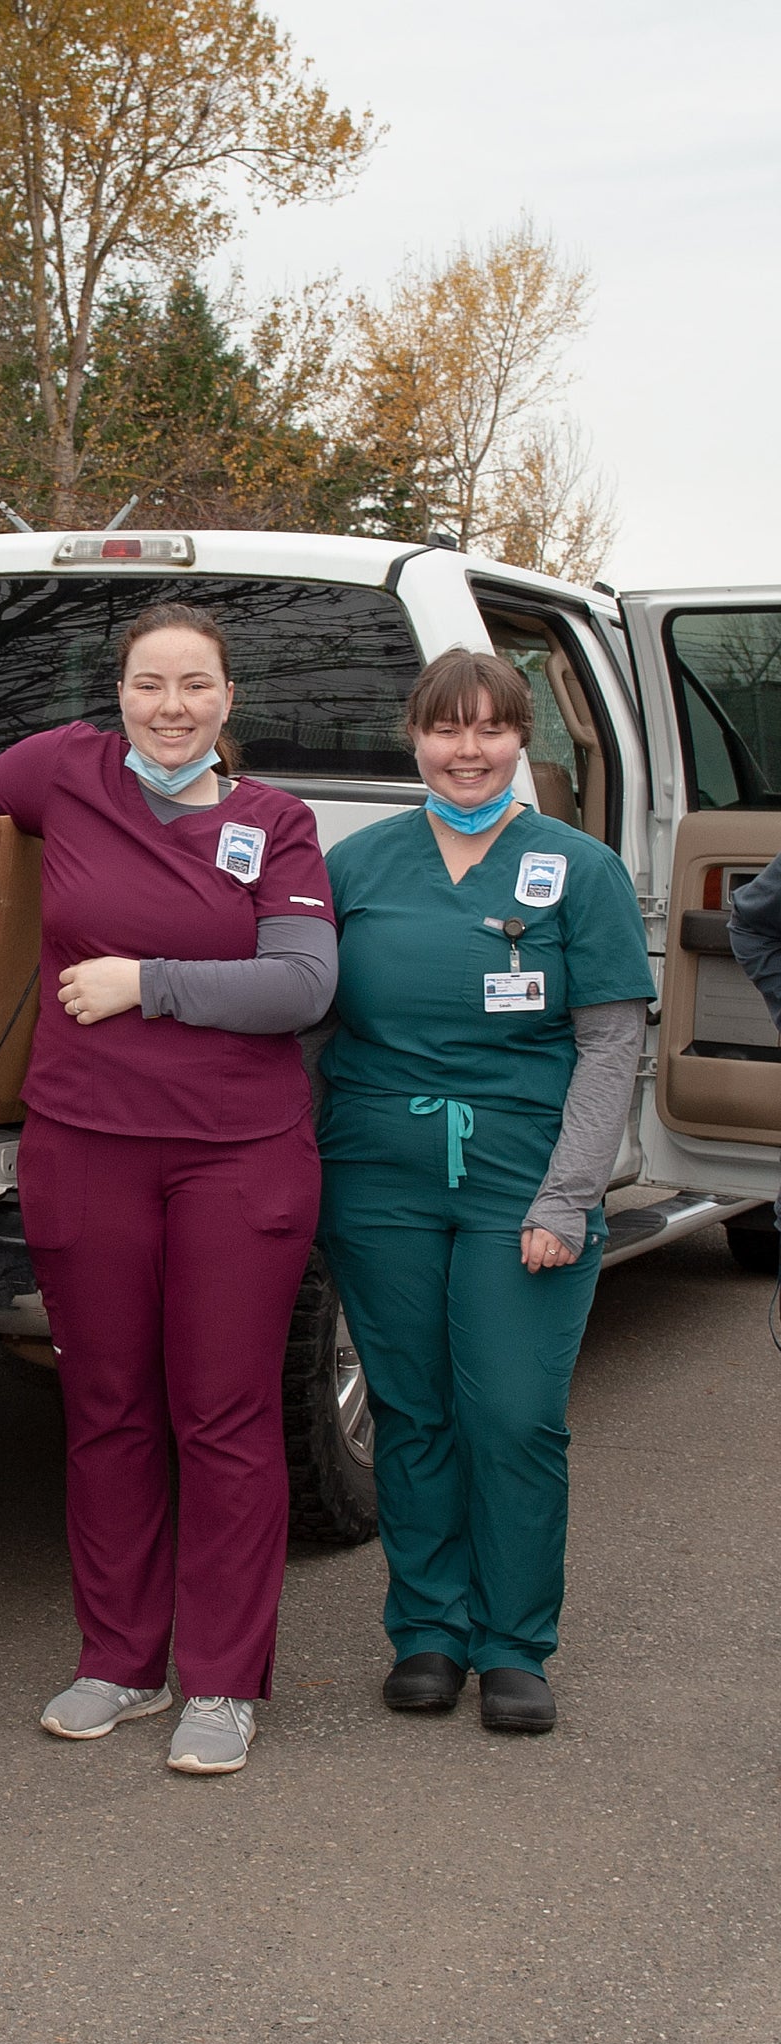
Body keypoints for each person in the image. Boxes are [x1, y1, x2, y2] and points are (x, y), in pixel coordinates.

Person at [0, 601, 338, 1776]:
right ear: (117, 692)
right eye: (149, 683)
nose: (170, 706)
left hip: (234, 1154)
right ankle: (119, 1658)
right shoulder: (64, 769)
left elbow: (301, 981)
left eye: (194, 685)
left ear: (226, 699)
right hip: (84, 1142)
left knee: (223, 1413)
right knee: (106, 1406)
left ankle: (220, 1678)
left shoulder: (275, 821)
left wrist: (146, 981)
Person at [315, 649, 652, 1735]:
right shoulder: (356, 863)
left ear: (521, 741)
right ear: (412, 736)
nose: (467, 750)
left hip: (522, 1180)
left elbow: (608, 1047)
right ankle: (426, 1629)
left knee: (507, 1413)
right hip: (377, 1178)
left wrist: (567, 1197)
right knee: (412, 1411)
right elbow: (306, 1021)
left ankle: (512, 1643)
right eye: (445, 729)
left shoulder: (576, 867)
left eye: (490, 729)